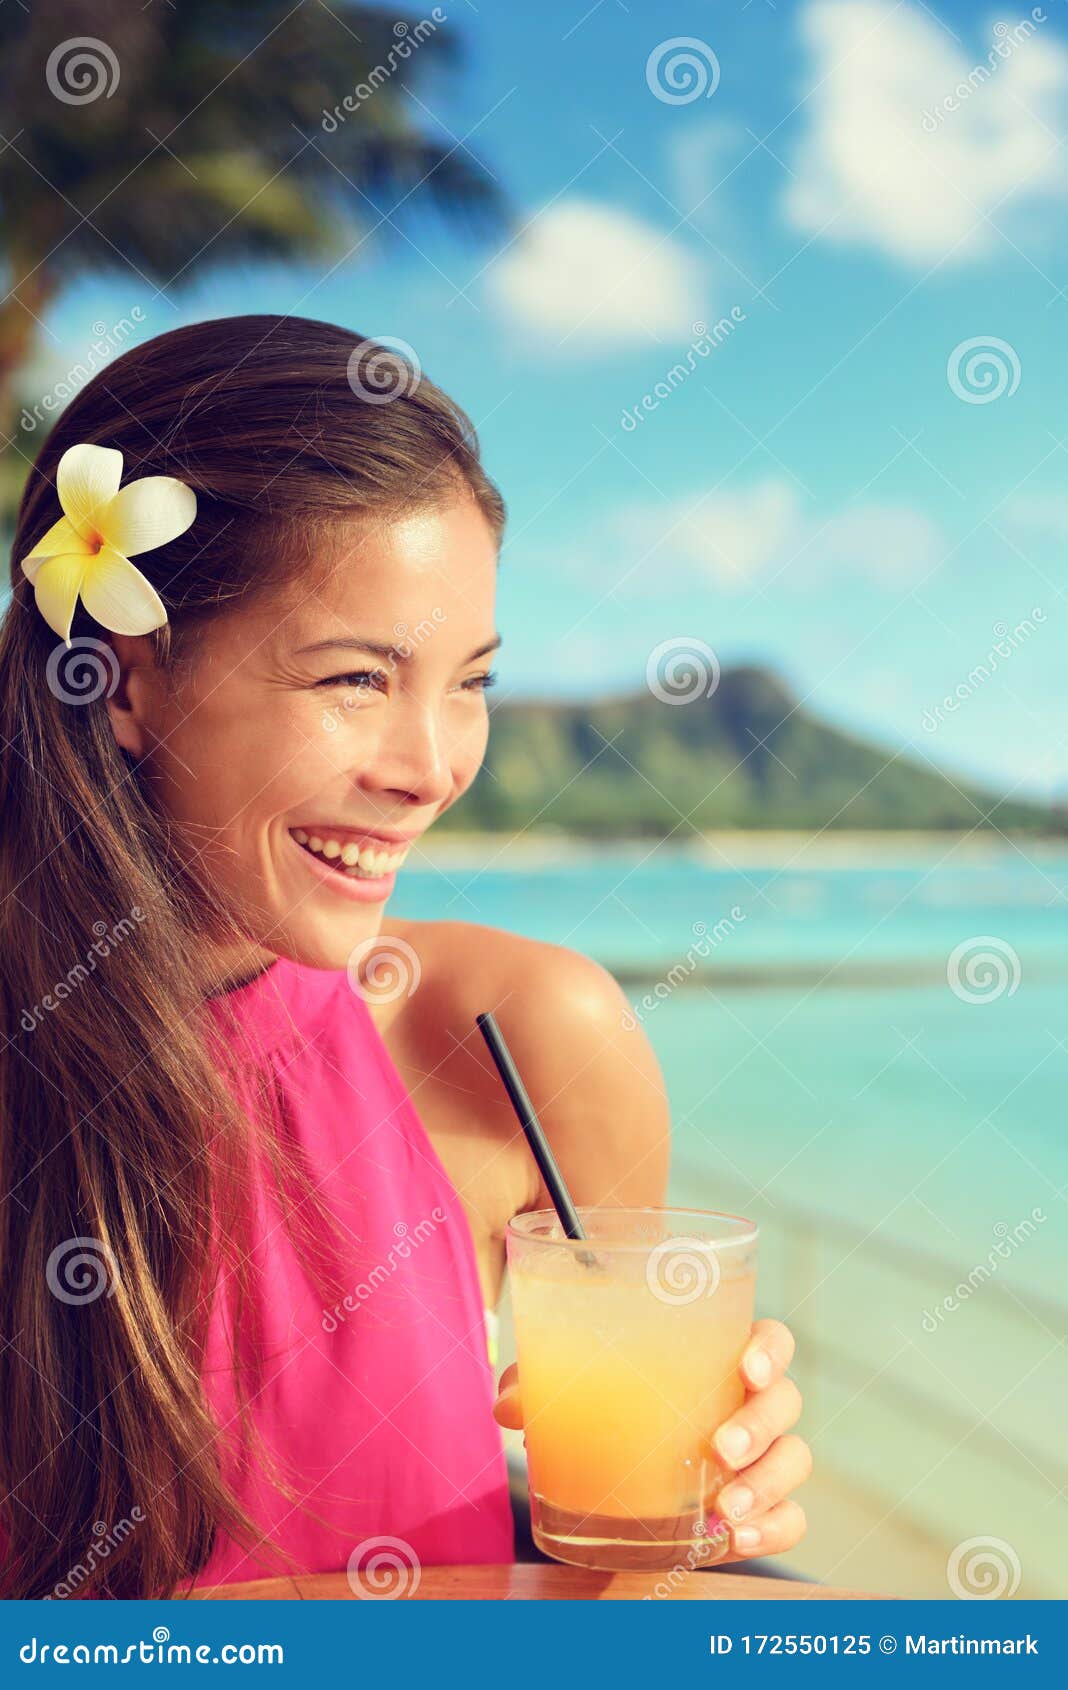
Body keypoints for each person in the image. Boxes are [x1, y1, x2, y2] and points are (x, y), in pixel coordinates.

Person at [0, 315, 810, 1598]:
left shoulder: (525, 1040)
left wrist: (693, 1491)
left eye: (470, 681)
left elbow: (620, 1584)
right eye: (357, 680)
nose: (431, 769)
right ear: (132, 679)